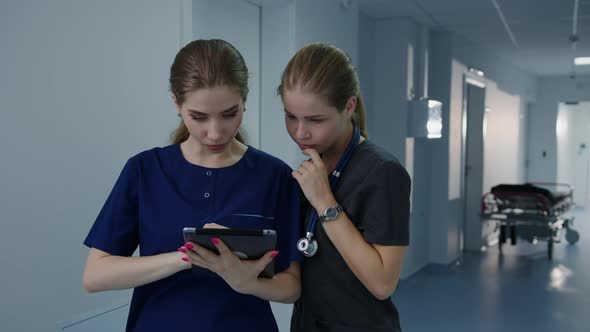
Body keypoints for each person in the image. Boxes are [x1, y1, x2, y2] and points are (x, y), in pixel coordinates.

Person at [82, 39, 302, 332]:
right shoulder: (145, 171)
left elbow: (292, 286)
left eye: (229, 114)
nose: (214, 133)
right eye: (198, 117)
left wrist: (246, 281)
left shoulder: (274, 176)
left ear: (244, 101)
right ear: (176, 103)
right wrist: (186, 256)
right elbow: (96, 275)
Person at [277, 42, 411, 332]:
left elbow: (382, 283)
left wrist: (325, 202)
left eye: (315, 120)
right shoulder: (314, 166)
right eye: (290, 116)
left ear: (349, 106)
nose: (300, 132)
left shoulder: (383, 172)